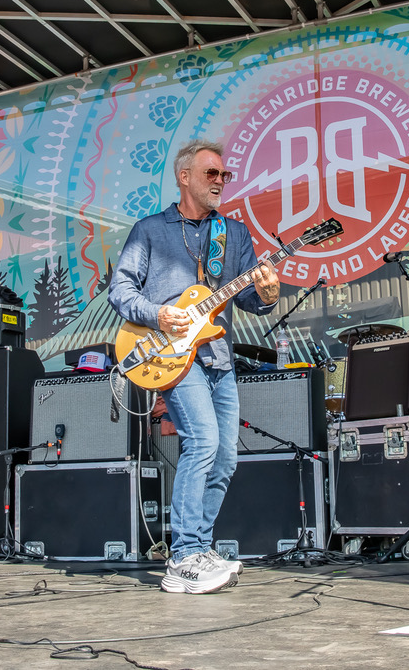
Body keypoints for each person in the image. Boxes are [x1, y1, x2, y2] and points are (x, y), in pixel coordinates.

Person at [109, 139, 280, 594]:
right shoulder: (149, 230)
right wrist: (158, 314)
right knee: (202, 441)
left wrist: (266, 295)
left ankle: (198, 549)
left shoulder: (235, 233)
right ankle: (184, 555)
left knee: (224, 459)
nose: (220, 181)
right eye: (212, 174)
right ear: (184, 177)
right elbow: (120, 291)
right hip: (171, 356)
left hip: (217, 356)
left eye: (225, 175)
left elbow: (244, 297)